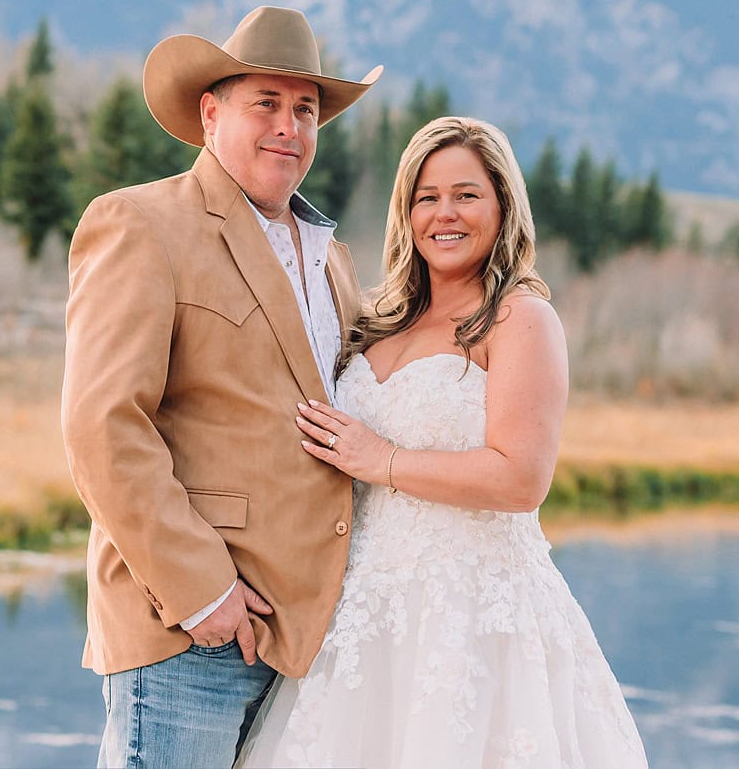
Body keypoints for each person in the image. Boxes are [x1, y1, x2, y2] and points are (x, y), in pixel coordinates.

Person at [240, 116, 648, 767]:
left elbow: (520, 479)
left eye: (466, 195)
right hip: (361, 621)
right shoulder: (376, 323)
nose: (444, 213)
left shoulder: (519, 319)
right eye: (426, 197)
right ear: (407, 214)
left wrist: (385, 460)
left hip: (472, 620)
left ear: (503, 206)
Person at [60, 5, 382, 768]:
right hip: (187, 634)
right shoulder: (141, 223)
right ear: (210, 114)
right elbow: (102, 425)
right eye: (265, 103)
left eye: (305, 110)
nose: (289, 127)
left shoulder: (332, 259)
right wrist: (203, 594)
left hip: (302, 644)